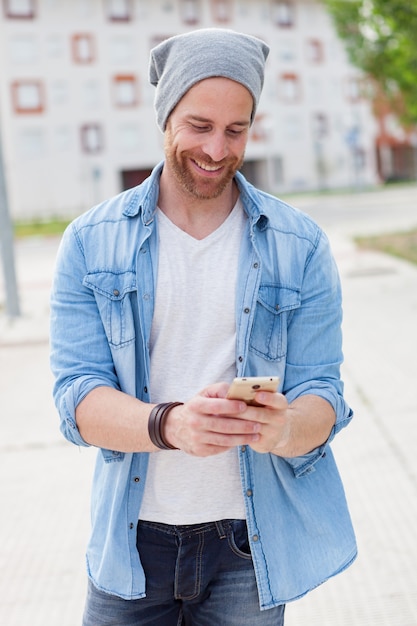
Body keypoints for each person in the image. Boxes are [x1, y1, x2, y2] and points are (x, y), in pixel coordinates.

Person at [50, 28, 357, 626]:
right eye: (199, 125)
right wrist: (173, 425)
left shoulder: (301, 245)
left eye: (235, 130)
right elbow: (77, 399)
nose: (217, 148)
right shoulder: (91, 241)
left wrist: (284, 427)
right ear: (164, 118)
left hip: (248, 544)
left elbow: (324, 394)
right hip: (131, 544)